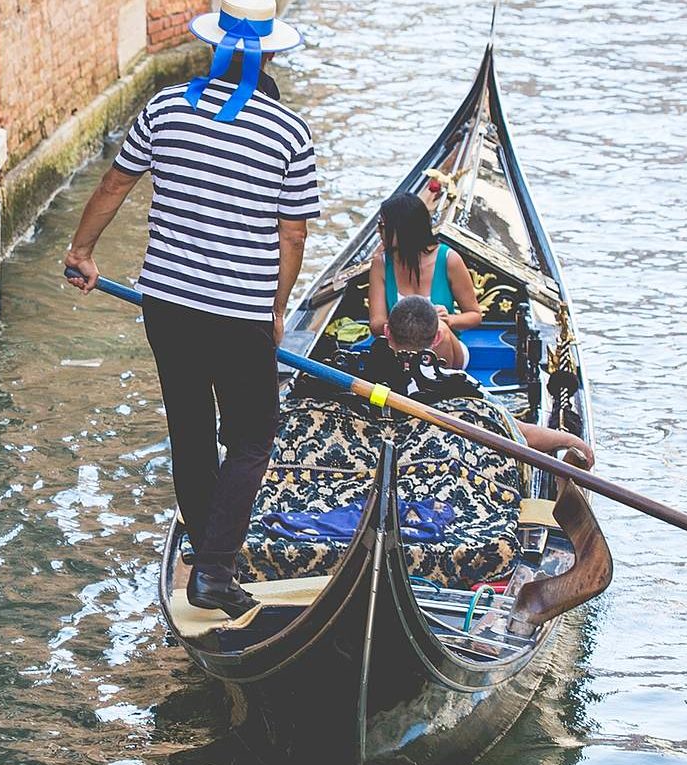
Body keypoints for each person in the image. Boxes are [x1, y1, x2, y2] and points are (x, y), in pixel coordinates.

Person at [64, 0, 318, 618]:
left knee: (191, 431)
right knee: (254, 438)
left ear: (214, 48)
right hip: (239, 312)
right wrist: (276, 308)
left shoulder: (164, 109)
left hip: (167, 304)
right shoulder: (289, 132)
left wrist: (81, 251)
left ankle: (208, 554)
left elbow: (114, 185)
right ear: (272, 55)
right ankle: (215, 571)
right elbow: (293, 237)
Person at [383, 296, 594, 467]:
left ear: (386, 332)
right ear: (438, 338)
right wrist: (569, 440)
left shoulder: (360, 379)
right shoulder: (461, 386)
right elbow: (519, 433)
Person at [367, 193, 483, 368]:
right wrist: (407, 326)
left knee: (440, 330)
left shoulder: (449, 260)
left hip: (446, 349)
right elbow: (376, 325)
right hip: (398, 351)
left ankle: (439, 388)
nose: (378, 231)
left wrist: (449, 320)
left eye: (382, 226)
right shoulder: (381, 264)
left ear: (402, 229)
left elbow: (474, 315)